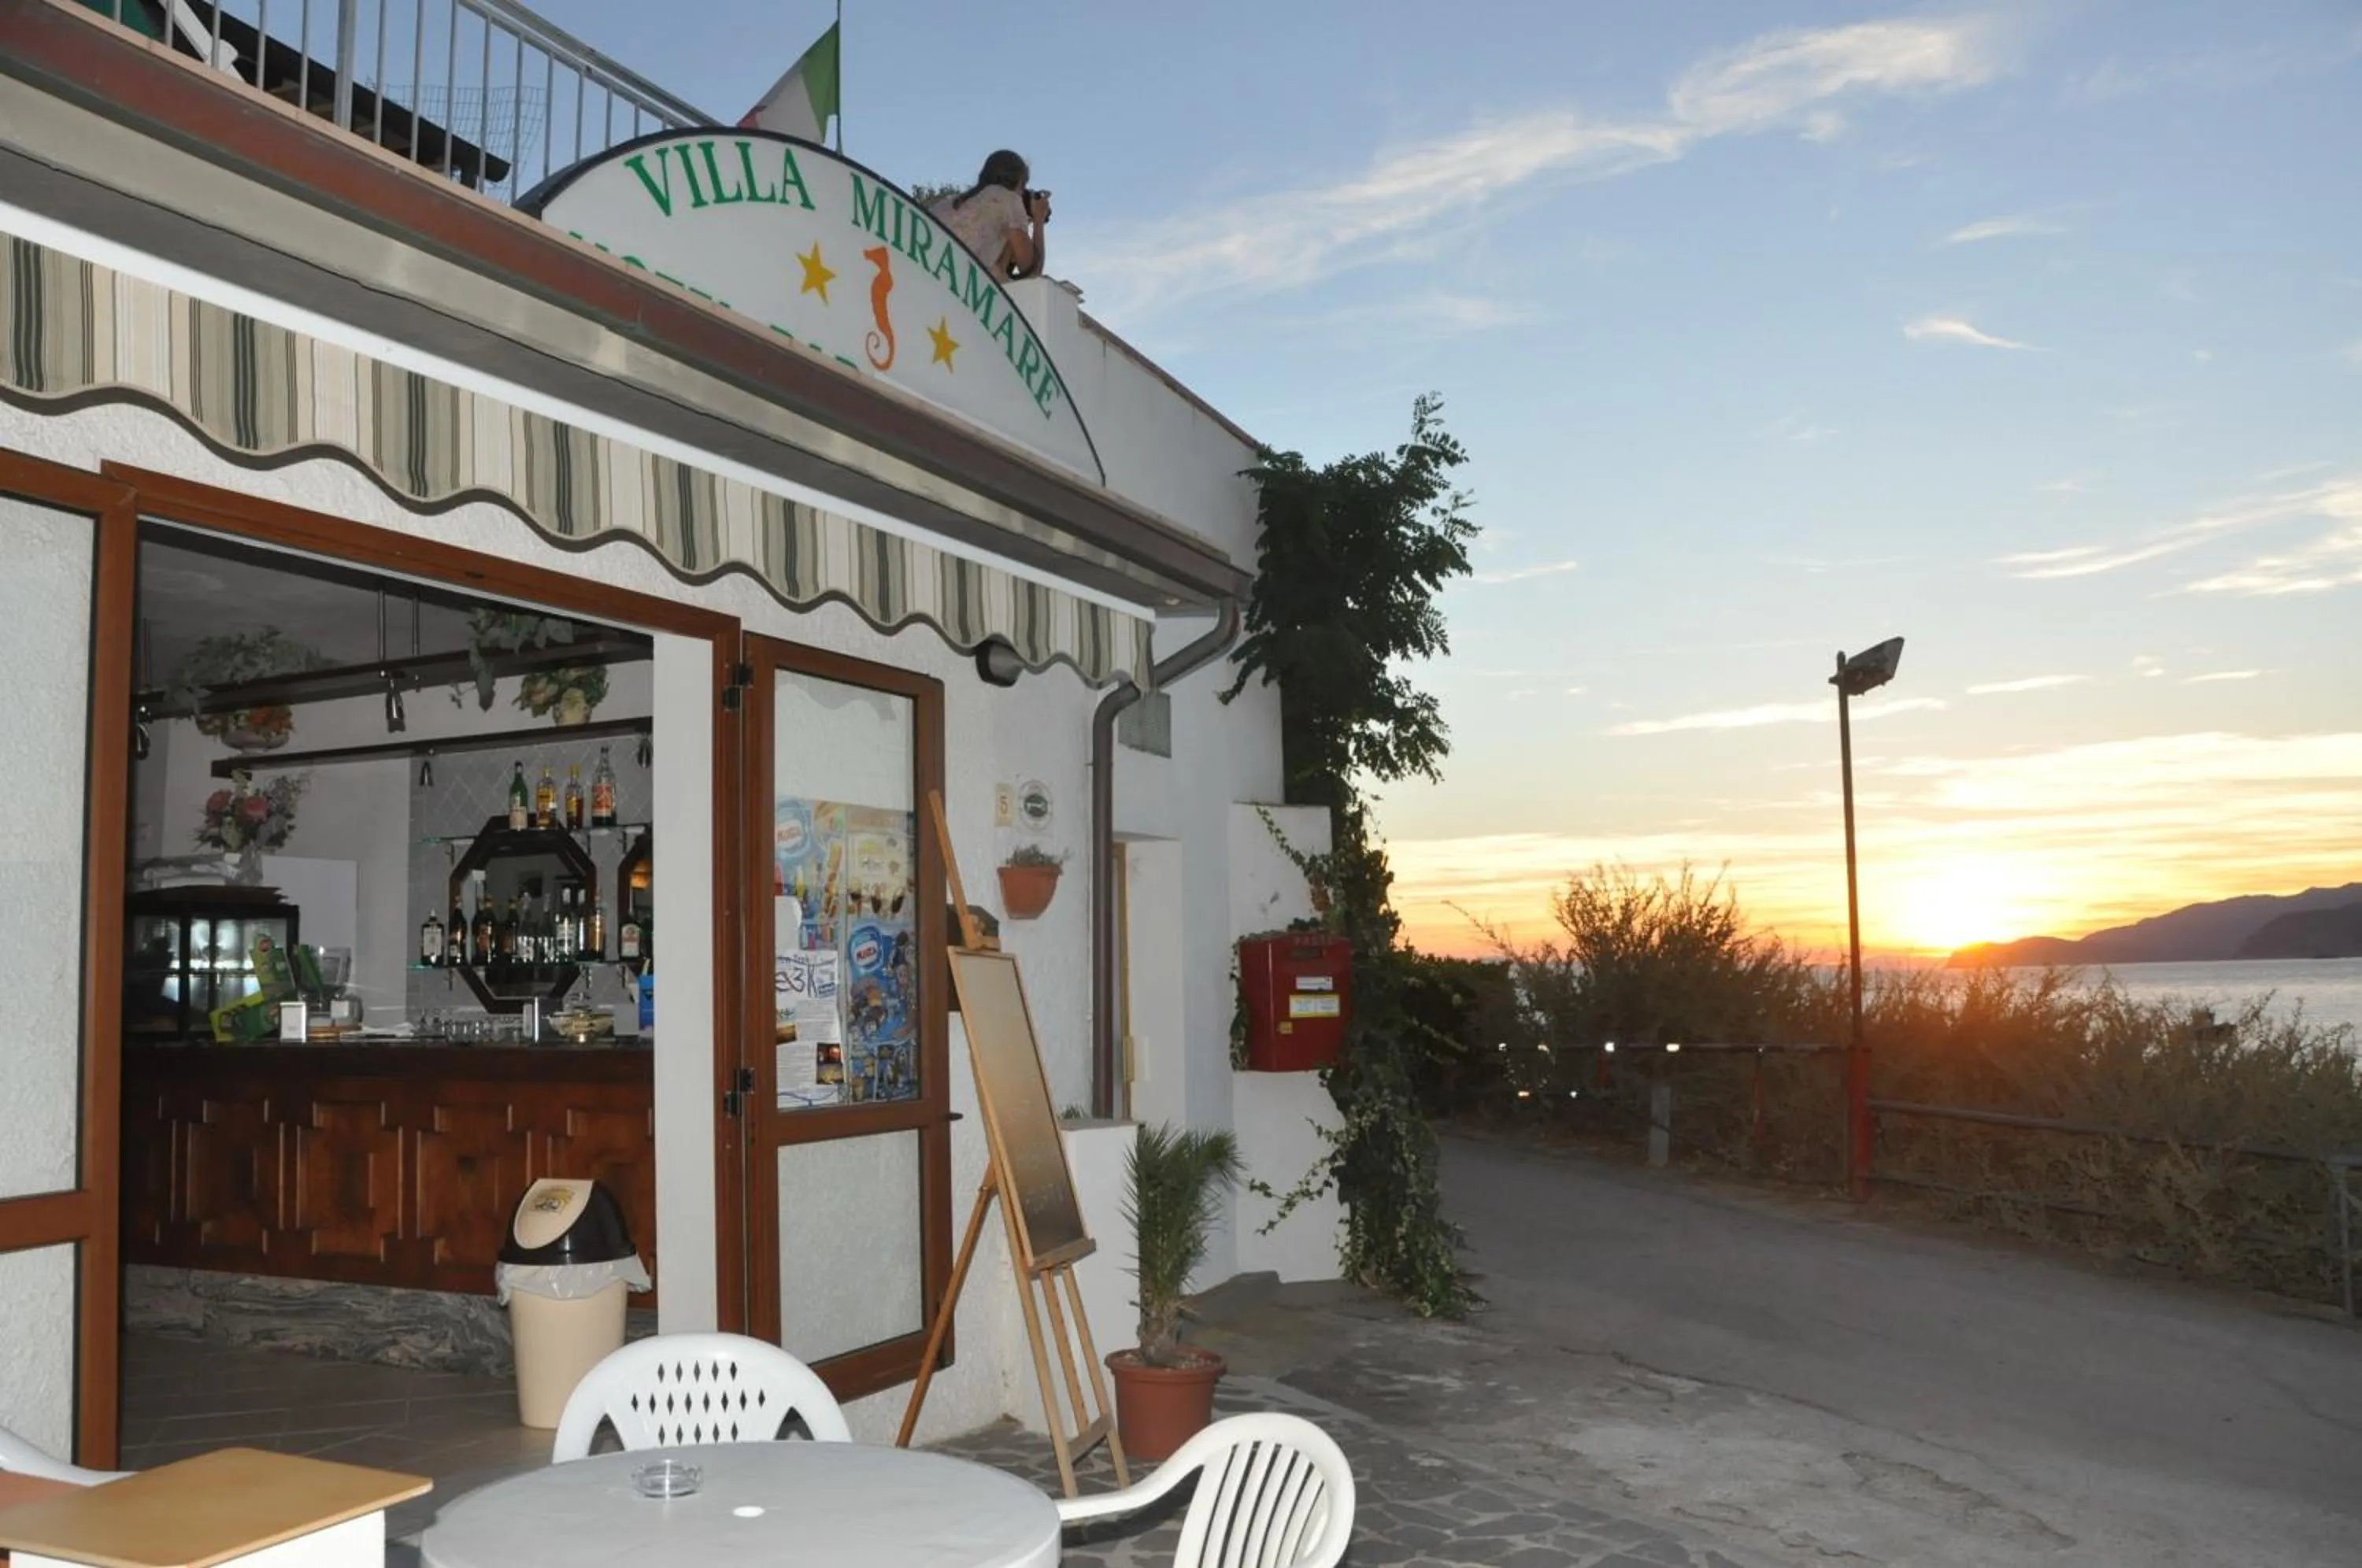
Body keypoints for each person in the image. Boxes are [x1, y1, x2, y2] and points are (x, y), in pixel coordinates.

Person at [930, 150, 1050, 280]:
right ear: (1018, 181)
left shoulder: (948, 203)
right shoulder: (1010, 200)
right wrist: (1039, 219)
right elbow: (1033, 273)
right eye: (1023, 186)